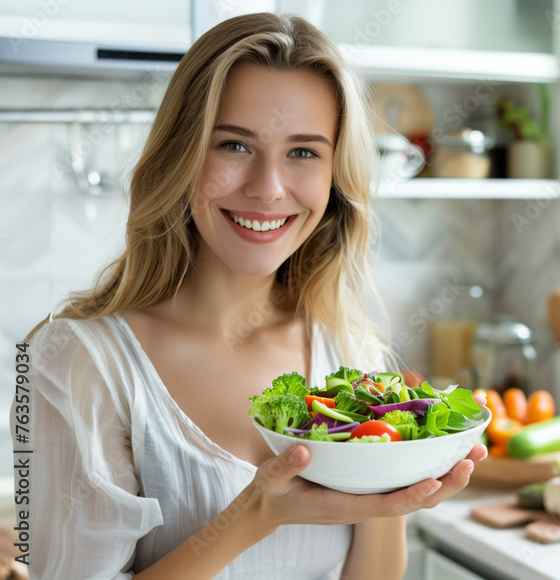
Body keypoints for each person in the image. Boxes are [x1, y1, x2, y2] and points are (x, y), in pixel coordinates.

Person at [17, 12, 487, 579]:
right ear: (182, 157)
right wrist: (256, 513)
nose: (267, 188)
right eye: (235, 146)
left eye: (304, 152)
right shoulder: (81, 361)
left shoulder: (344, 345)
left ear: (335, 177)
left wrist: (395, 482)